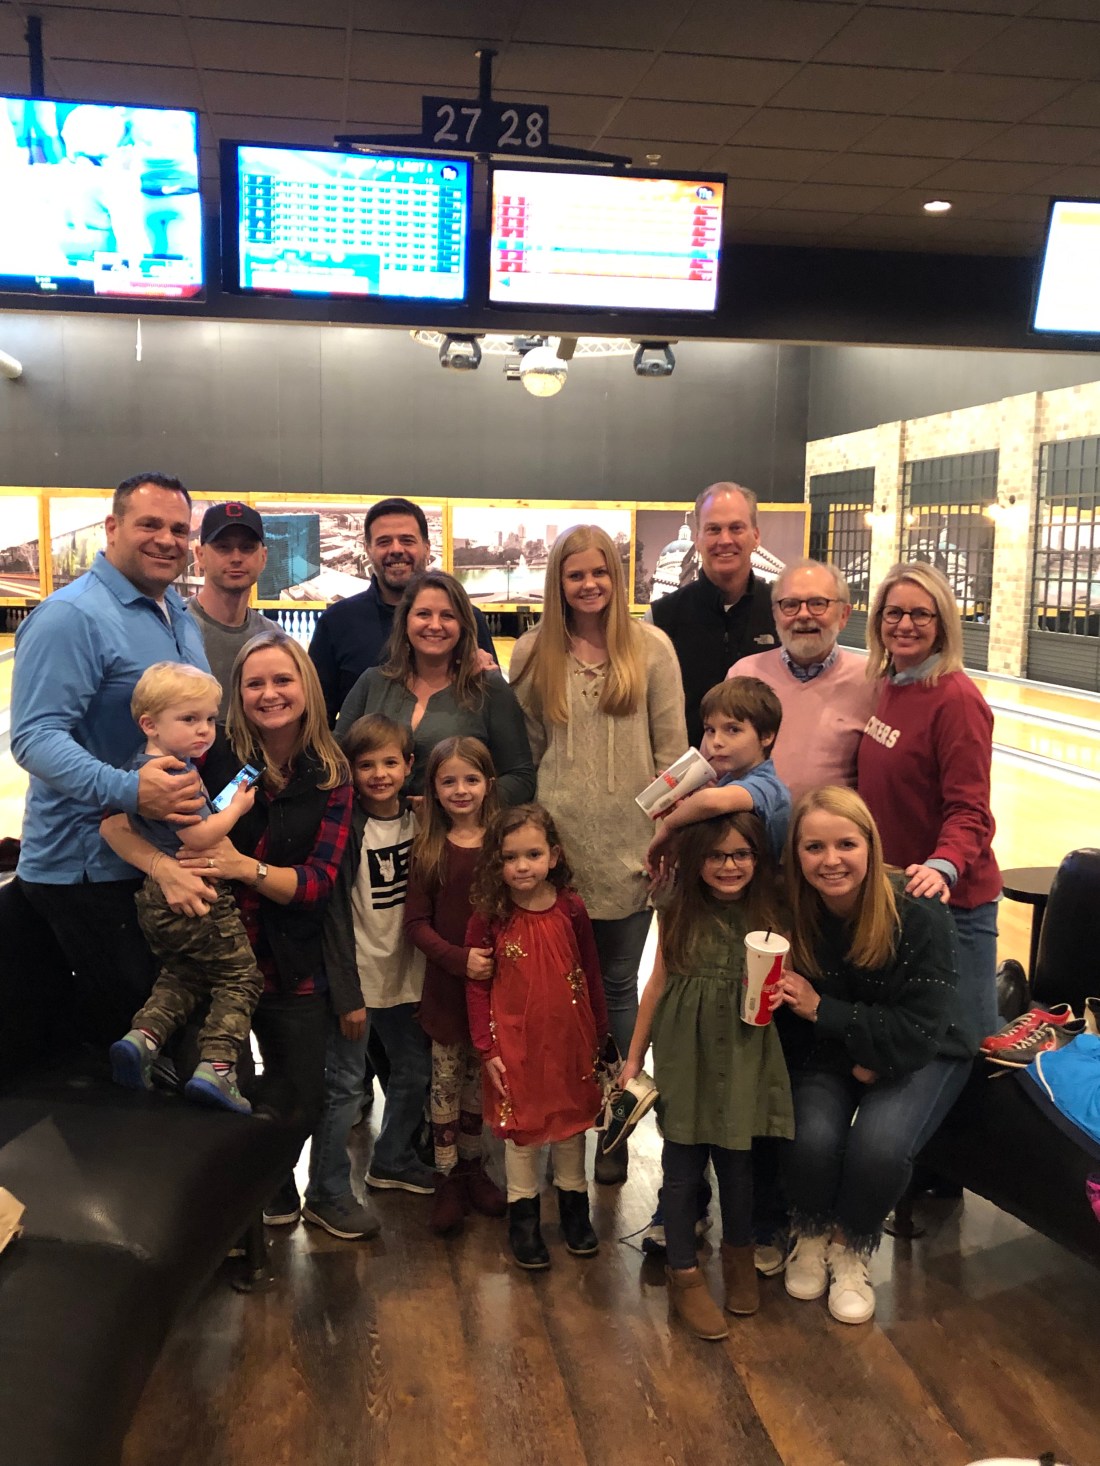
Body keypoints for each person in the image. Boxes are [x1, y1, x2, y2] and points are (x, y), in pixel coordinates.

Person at [508, 524, 687, 1184]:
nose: (589, 584)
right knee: (557, 994)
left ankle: (613, 1121)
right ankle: (559, 1124)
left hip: (631, 851)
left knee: (616, 988)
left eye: (600, 572)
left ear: (617, 576)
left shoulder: (653, 649)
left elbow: (673, 757)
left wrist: (666, 839)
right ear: (558, 582)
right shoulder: (533, 651)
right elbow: (526, 753)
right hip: (555, 853)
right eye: (576, 574)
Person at [10, 471, 209, 1044]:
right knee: (137, 1046)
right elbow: (34, 737)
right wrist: (131, 790)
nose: (166, 539)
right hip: (87, 870)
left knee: (172, 1036)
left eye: (178, 529)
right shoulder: (71, 617)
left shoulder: (176, 612)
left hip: (150, 860)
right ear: (113, 527)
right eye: (150, 524)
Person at [173, 630, 355, 1227]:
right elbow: (131, 815)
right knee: (218, 1090)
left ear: (307, 687)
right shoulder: (212, 754)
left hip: (289, 960)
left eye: (282, 680)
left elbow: (318, 882)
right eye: (255, 683)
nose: (270, 693)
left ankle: (272, 1179)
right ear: (238, 693)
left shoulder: (331, 772)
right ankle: (244, 1208)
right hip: (214, 958)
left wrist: (242, 868)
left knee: (300, 1098)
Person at [776, 786, 975, 1325]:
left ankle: (850, 1247)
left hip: (925, 1049)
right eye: (814, 847)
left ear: (871, 845)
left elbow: (919, 1031)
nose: (831, 860)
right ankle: (810, 1232)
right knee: (811, 1136)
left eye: (846, 844)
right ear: (796, 854)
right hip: (839, 1044)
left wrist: (827, 1014)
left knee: (879, 1148)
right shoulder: (794, 911)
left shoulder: (919, 911)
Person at [621, 812, 793, 1340]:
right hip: (684, 1052)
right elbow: (656, 983)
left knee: (739, 1168)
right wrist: (634, 1056)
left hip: (744, 1051)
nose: (729, 865)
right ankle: (685, 1274)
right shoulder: (677, 906)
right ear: (696, 860)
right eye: (716, 855)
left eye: (741, 854)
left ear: (757, 859)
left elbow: (786, 976)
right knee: (681, 1168)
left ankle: (739, 1259)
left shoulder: (772, 908)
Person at [99, 662, 262, 1114]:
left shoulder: (140, 767)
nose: (204, 730)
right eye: (189, 719)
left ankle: (142, 1039)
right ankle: (218, 1067)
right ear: (149, 724)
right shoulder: (177, 776)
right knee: (241, 977)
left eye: (209, 718)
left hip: (154, 897)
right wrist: (237, 808)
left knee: (183, 973)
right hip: (195, 892)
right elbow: (200, 837)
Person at [859, 561, 1002, 1043]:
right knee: (918, 1041)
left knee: (968, 1047)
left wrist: (943, 865)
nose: (905, 624)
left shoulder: (955, 699)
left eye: (920, 614)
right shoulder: (891, 684)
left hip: (954, 905)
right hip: (899, 897)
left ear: (942, 624)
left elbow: (971, 810)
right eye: (894, 612)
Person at [466, 803, 609, 1270]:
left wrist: (601, 1034)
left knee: (571, 1127)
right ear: (496, 862)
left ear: (554, 855)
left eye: (532, 854)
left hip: (571, 1040)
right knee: (523, 1133)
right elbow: (476, 986)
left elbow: (591, 971)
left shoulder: (571, 908)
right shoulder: (490, 915)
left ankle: (575, 1213)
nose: (522, 866)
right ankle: (523, 1222)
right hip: (515, 1044)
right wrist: (486, 1047)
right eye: (510, 858)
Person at [311, 713, 431, 1235]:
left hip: (406, 976)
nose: (379, 774)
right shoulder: (346, 828)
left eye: (390, 763)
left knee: (415, 1071)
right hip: (357, 980)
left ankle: (392, 1158)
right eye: (366, 765)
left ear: (408, 765)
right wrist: (347, 995)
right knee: (343, 1089)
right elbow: (334, 915)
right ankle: (325, 1189)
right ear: (351, 770)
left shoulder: (422, 819)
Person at [404, 736, 507, 1235]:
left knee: (478, 1086)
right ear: (434, 788)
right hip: (447, 991)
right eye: (449, 781)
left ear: (489, 784)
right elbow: (415, 924)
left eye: (471, 779)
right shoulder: (428, 849)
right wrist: (459, 960)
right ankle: (445, 1176)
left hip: (496, 991)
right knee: (444, 1087)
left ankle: (472, 1166)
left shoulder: (505, 845)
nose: (461, 790)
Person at [334, 570, 535, 807]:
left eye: (448, 616)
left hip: (456, 827)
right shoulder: (372, 682)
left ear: (463, 625)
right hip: (373, 826)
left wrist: (457, 805)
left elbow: (521, 777)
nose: (435, 625)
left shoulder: (488, 687)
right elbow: (336, 761)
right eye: (423, 614)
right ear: (405, 621)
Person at [309, 497, 497, 724]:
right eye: (384, 542)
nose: (396, 549)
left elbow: (491, 710)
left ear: (427, 548)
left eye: (407, 540)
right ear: (368, 550)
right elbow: (317, 721)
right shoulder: (336, 622)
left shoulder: (468, 618)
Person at [728, 559, 877, 802]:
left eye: (818, 603)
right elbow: (715, 763)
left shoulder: (872, 681)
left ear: (844, 615)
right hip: (753, 824)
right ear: (775, 614)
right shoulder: (743, 675)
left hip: (833, 825)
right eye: (791, 604)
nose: (804, 615)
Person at [649, 482, 777, 748]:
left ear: (755, 535)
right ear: (697, 539)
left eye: (736, 528)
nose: (725, 540)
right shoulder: (660, 619)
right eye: (714, 529)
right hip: (684, 770)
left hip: (767, 771)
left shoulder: (781, 611)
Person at [647, 676, 790, 869]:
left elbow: (710, 802)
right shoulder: (729, 781)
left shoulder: (768, 786)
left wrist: (670, 825)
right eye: (710, 730)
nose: (716, 742)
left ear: (766, 736)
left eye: (733, 730)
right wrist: (683, 820)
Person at [187, 501, 270, 720]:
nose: (236, 558)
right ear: (200, 555)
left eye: (247, 547)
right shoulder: (173, 628)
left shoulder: (273, 636)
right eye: (223, 547)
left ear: (263, 558)